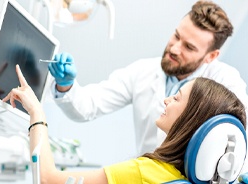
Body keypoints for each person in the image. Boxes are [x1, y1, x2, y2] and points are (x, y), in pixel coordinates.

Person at [48, 0, 248, 156]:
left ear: (211, 56)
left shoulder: (226, 82)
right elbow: (88, 106)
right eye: (177, 36)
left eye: (189, 47)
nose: (175, 48)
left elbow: (237, 141)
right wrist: (65, 86)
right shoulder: (143, 72)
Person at [3, 65, 246, 183]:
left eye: (176, 98)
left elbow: (48, 178)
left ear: (191, 119)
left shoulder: (145, 171)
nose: (165, 100)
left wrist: (36, 111)